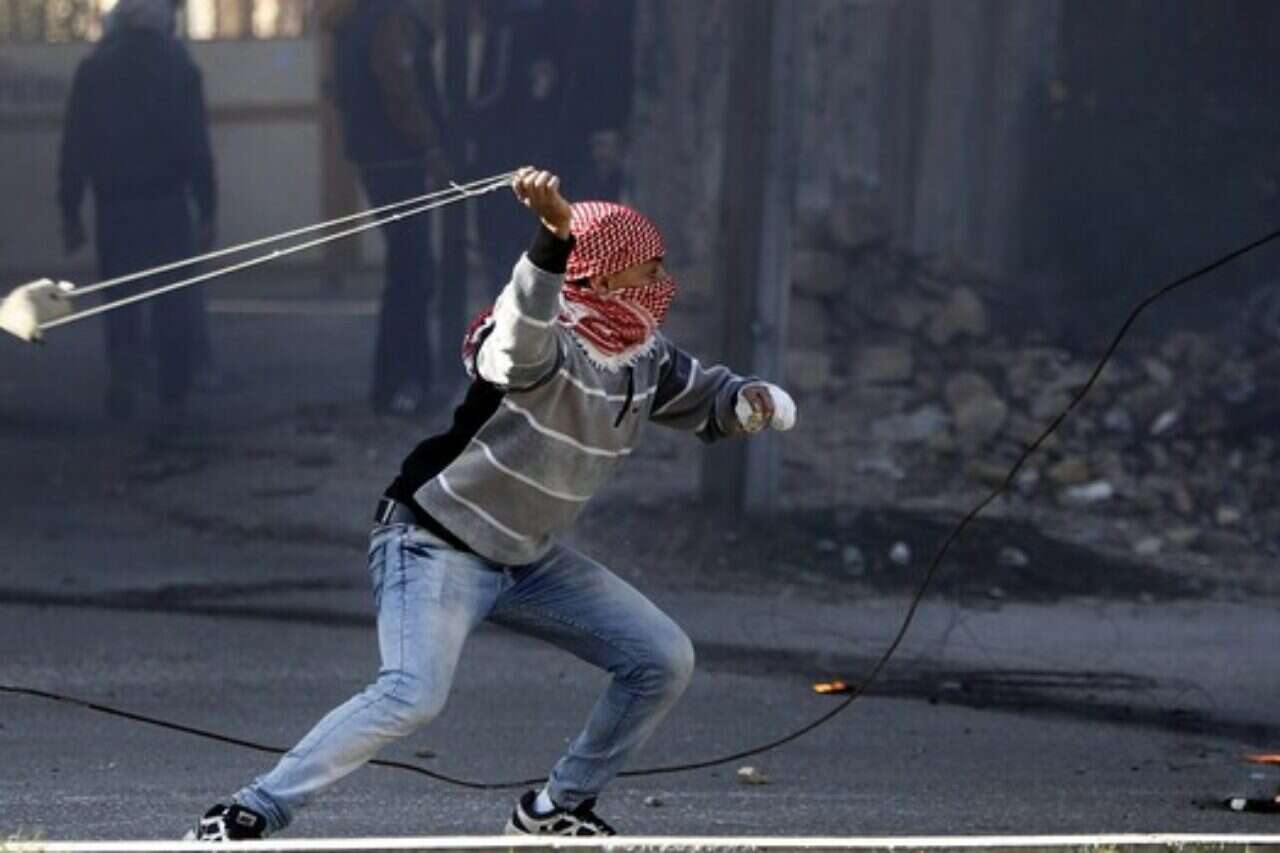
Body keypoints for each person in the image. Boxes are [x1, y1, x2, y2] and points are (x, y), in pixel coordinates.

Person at [185, 167, 797, 840]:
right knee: (412, 693)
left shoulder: (644, 357)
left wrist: (749, 399)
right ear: (597, 277)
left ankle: (555, 809)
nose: (662, 284)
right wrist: (553, 236)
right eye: (647, 271)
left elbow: (707, 397)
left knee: (662, 658)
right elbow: (516, 336)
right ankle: (246, 813)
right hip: (433, 543)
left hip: (525, 559)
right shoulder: (545, 342)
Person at [57, 0, 216, 425]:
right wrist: (207, 208)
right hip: (168, 202)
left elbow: (76, 144)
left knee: (121, 300)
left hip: (116, 203)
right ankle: (173, 399)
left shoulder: (94, 70)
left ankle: (124, 377)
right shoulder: (179, 66)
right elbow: (197, 145)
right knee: (173, 304)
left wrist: (70, 208)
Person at [322, 0, 450, 415]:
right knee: (412, 272)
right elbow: (400, 89)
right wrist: (431, 147)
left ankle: (394, 384)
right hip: (400, 159)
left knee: (407, 269)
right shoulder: (390, 19)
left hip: (375, 158)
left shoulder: (351, 21)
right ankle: (406, 383)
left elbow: (340, 90)